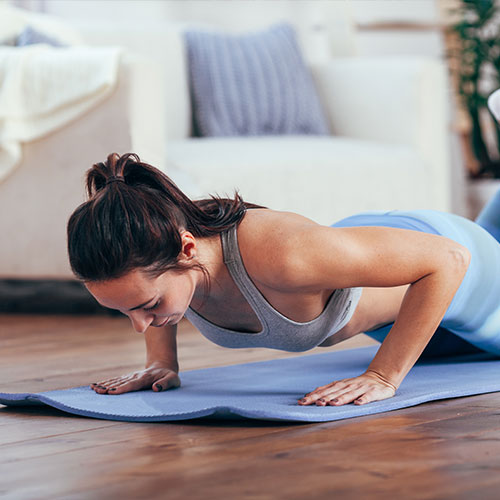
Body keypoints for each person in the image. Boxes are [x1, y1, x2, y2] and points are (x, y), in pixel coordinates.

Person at [67, 152, 500, 408]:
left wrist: (384, 376)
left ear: (187, 250)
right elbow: (150, 291)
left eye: (148, 307)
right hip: (366, 262)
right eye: (127, 310)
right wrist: (162, 364)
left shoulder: (287, 255)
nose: (140, 323)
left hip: (449, 258)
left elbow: (448, 259)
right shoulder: (170, 254)